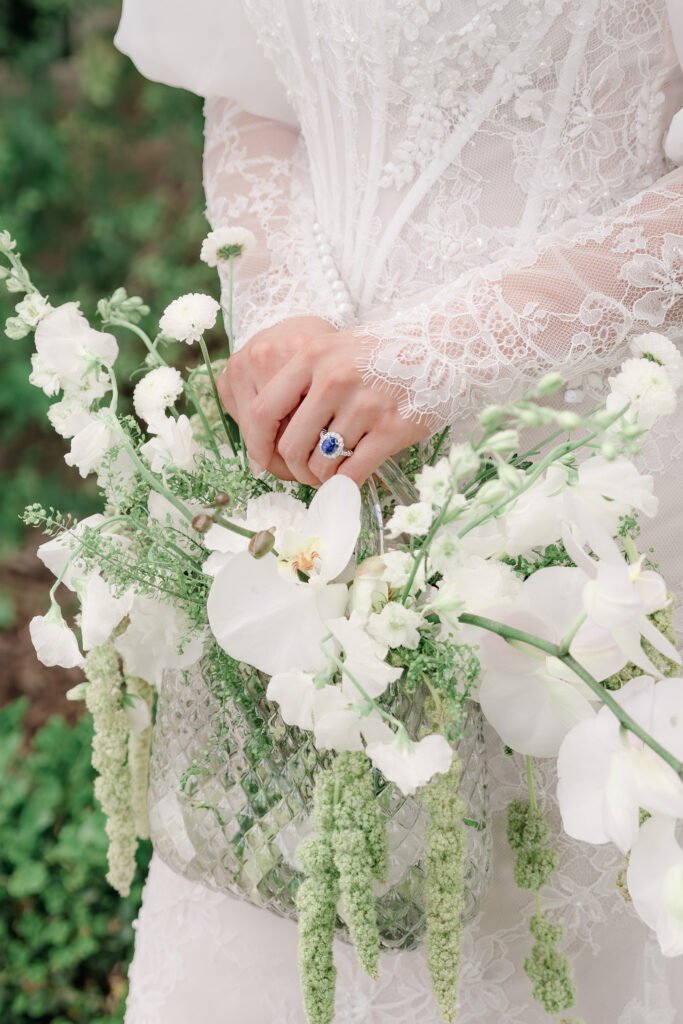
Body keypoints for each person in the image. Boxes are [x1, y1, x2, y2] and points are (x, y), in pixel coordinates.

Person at [114, 2, 683, 1021]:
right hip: (309, 477)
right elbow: (252, 91)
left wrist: (446, 356)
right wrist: (282, 320)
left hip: (585, 458)